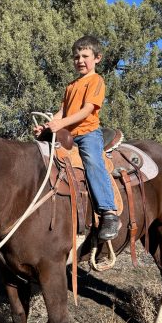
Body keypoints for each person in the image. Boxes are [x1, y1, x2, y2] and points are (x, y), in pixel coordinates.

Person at [34, 35, 120, 240]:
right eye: (76, 57)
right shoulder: (71, 85)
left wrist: (60, 124)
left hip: (88, 133)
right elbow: (62, 112)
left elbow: (87, 110)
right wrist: (46, 126)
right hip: (67, 135)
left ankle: (109, 212)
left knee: (92, 162)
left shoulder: (96, 81)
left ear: (97, 58)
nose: (80, 60)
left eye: (85, 56)